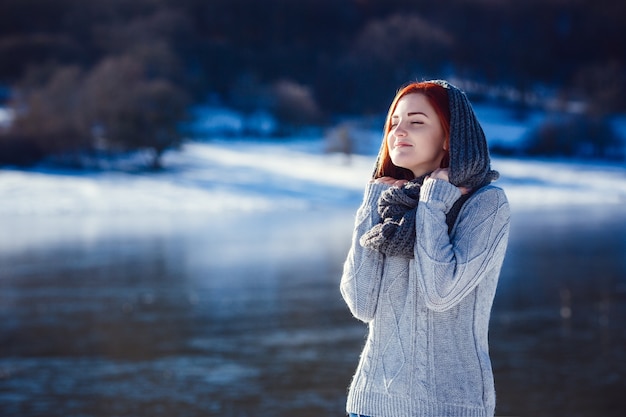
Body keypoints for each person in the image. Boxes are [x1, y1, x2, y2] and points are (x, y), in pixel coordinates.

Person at [340, 80, 510, 417]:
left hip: (450, 407)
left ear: (450, 137)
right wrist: (371, 205)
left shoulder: (486, 204)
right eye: (394, 122)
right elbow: (361, 303)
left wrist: (433, 206)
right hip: (371, 405)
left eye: (416, 122)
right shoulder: (390, 206)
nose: (399, 131)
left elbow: (440, 293)